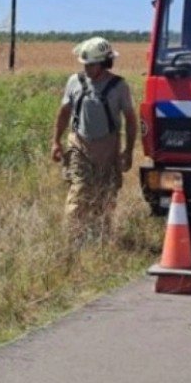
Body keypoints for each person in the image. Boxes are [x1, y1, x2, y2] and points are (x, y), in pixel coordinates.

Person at [51, 37, 137, 240]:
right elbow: (63, 112)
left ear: (105, 63)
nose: (87, 68)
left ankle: (100, 240)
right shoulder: (74, 81)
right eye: (85, 64)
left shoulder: (119, 86)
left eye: (92, 65)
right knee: (78, 193)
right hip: (79, 145)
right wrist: (55, 141)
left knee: (105, 196)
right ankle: (72, 241)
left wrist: (128, 151)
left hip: (108, 148)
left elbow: (130, 120)